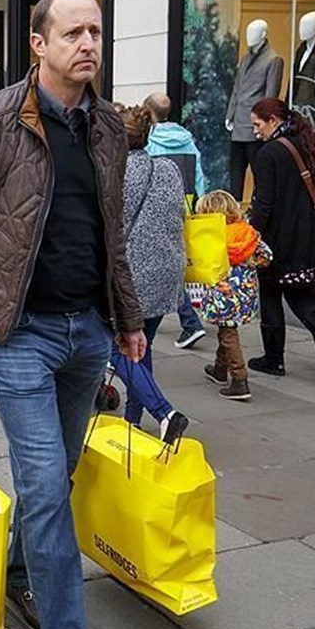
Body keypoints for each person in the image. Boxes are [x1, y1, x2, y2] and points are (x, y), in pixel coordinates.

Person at [0, 0, 145, 629]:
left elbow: (113, 234)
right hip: (20, 332)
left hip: (89, 332)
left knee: (59, 475)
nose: (89, 45)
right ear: (38, 44)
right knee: (45, 487)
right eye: (74, 33)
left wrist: (127, 319)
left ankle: (19, 566)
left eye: (96, 32)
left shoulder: (107, 128)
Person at [247, 97, 315, 384]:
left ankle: (274, 358)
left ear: (273, 121)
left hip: (278, 238)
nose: (255, 132)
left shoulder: (268, 154)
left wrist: (251, 234)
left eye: (257, 125)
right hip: (310, 236)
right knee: (299, 292)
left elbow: (264, 203)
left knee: (271, 293)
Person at [110, 106, 188, 443]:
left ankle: (164, 413)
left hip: (131, 277)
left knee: (110, 346)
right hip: (166, 270)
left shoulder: (115, 173)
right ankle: (132, 419)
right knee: (141, 345)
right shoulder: (168, 168)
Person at [142, 92, 209, 350]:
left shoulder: (150, 141)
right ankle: (190, 322)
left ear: (148, 113)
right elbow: (200, 176)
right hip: (187, 202)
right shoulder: (188, 140)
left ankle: (191, 322)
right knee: (175, 262)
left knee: (166, 263)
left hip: (159, 208)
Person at [193, 190, 272, 400]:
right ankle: (220, 370)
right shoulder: (247, 232)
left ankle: (239, 379)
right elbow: (267, 256)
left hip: (222, 295)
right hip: (244, 293)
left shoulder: (210, 238)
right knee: (226, 330)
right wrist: (250, 263)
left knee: (228, 334)